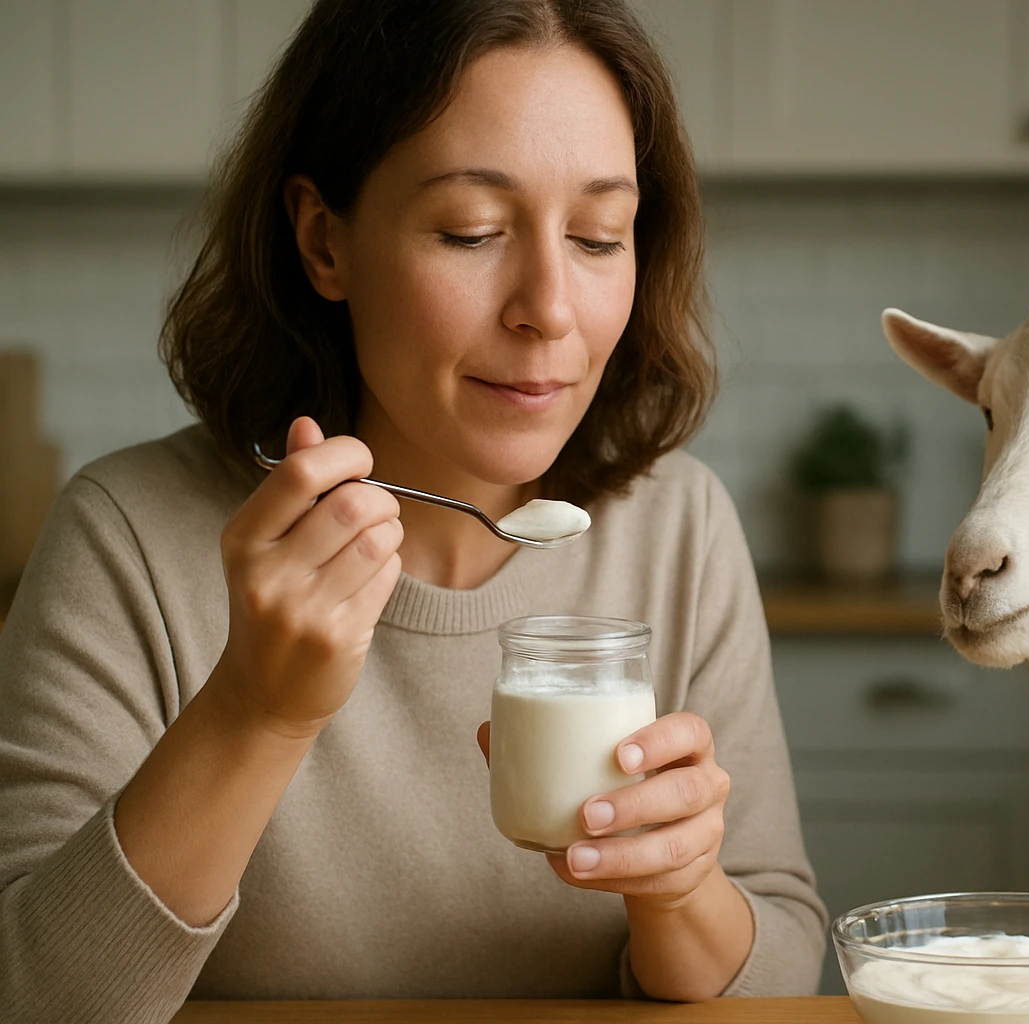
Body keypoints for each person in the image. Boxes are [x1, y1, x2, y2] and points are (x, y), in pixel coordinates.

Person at [0, 2, 826, 1020]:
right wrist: (258, 710)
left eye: (600, 237)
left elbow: (784, 967)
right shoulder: (130, 537)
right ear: (323, 241)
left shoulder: (678, 530)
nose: (550, 308)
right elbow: (33, 995)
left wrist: (678, 887)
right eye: (472, 230)